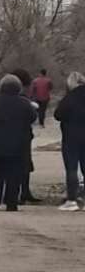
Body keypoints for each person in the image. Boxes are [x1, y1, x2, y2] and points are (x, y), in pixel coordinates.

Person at [0, 74, 37, 211]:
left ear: (1, 87)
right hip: (18, 145)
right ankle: (11, 203)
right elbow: (33, 117)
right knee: (14, 175)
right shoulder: (24, 103)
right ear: (18, 87)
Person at [53, 71, 85, 211]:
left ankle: (72, 200)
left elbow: (58, 115)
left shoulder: (69, 98)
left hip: (71, 137)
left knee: (72, 168)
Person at [11, 68, 42, 204]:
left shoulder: (5, 96)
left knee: (21, 163)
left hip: (13, 134)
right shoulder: (23, 98)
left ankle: (23, 192)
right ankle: (22, 192)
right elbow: (32, 117)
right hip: (23, 134)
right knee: (23, 163)